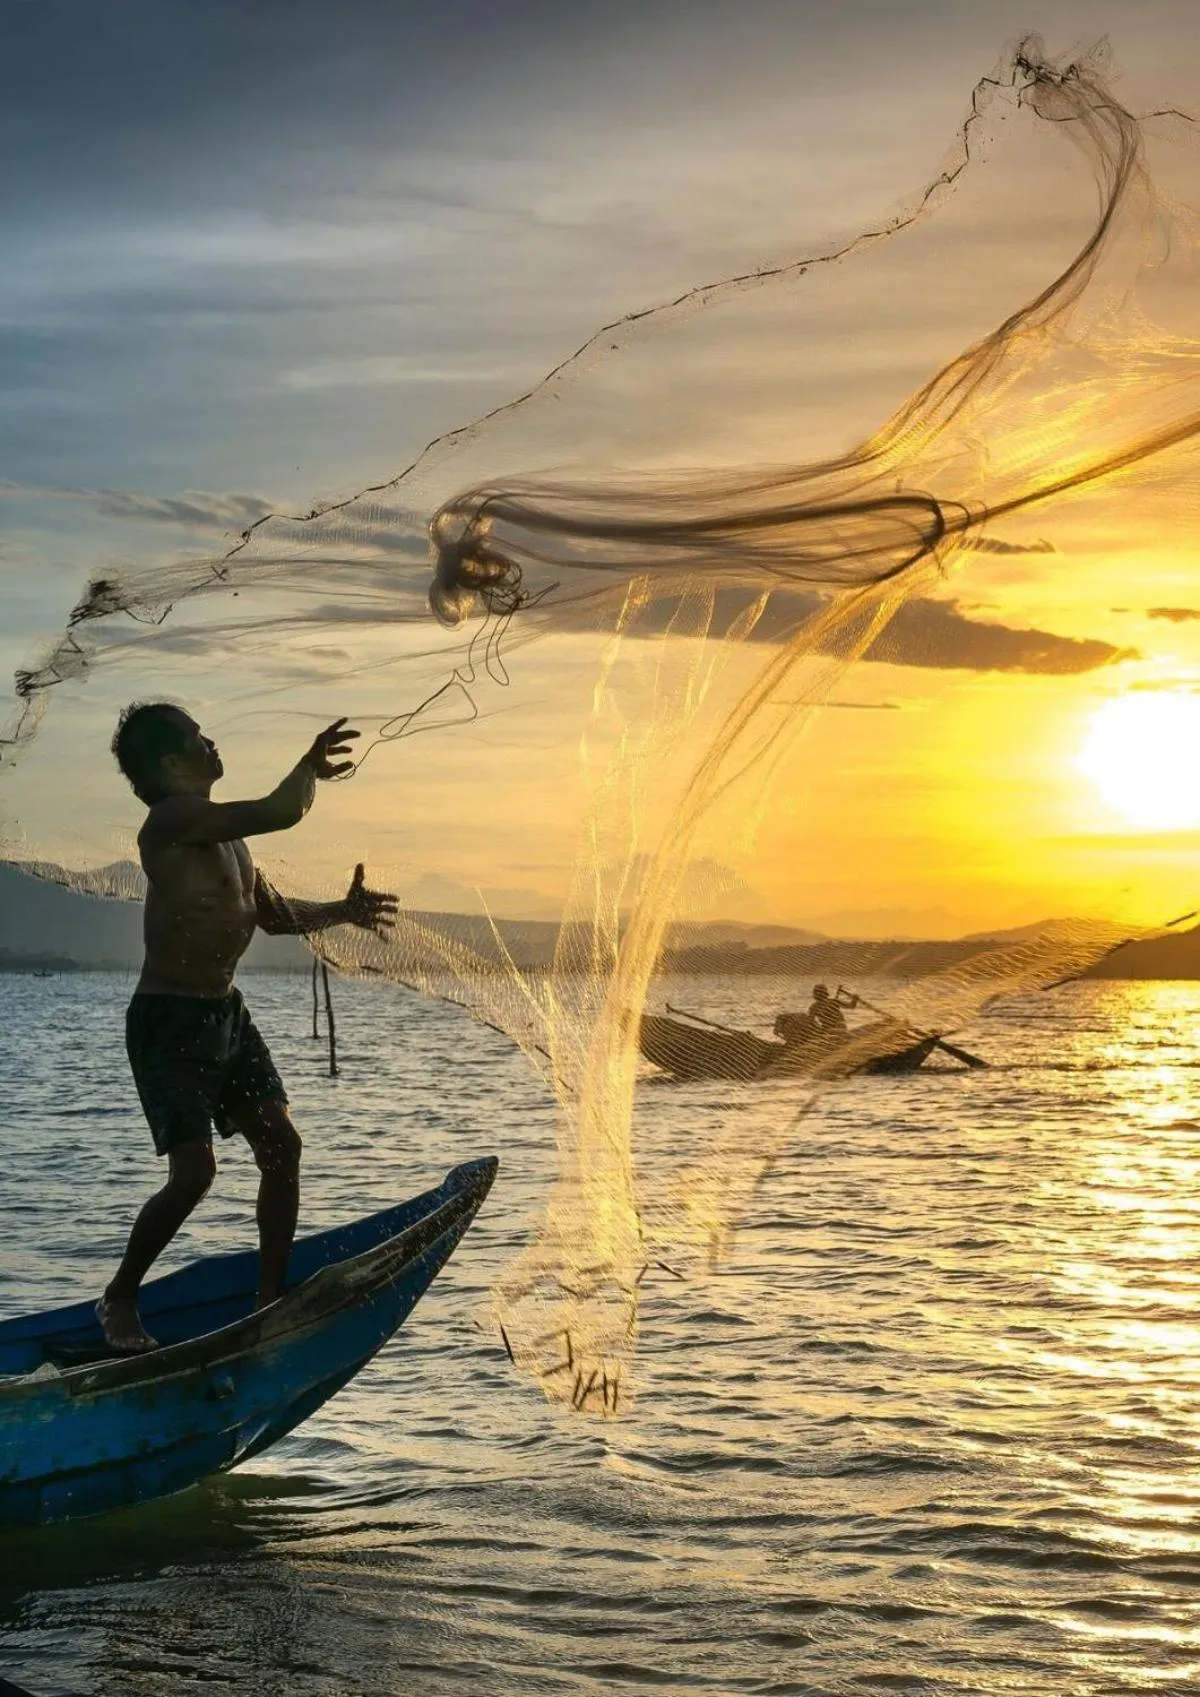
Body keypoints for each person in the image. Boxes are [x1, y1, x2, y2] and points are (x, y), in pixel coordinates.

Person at [96, 703, 397, 1353]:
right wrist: (310, 768)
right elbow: (282, 809)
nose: (213, 739)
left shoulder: (230, 838)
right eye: (199, 735)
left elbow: (277, 918)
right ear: (174, 763)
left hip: (225, 1013)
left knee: (281, 1146)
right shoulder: (171, 821)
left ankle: (268, 1300)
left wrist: (343, 910)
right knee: (194, 1173)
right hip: (169, 1018)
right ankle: (119, 1295)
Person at [773, 984, 858, 1048]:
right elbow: (852, 1006)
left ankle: (795, 1044)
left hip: (830, 1032)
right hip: (839, 1029)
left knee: (800, 1028)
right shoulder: (833, 1001)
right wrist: (854, 999)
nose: (815, 994)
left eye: (816, 992)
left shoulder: (815, 1006)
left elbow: (810, 1022)